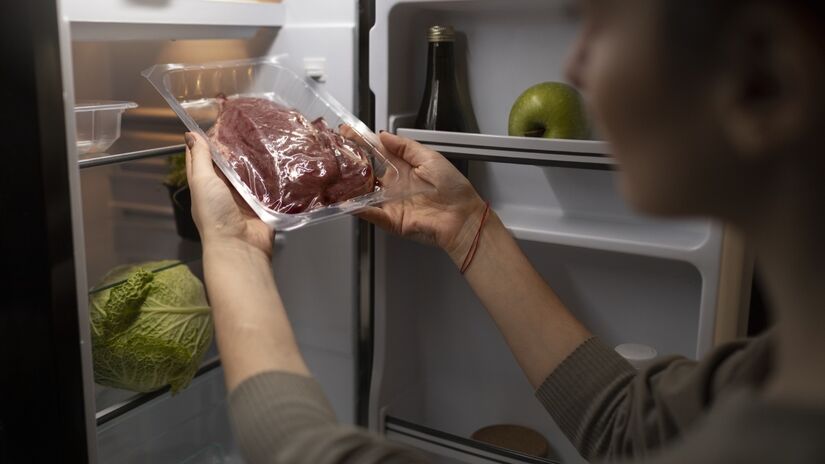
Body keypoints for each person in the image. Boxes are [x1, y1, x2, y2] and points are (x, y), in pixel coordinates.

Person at [182, 0, 825, 462]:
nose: (574, 66)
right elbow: (628, 424)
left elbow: (309, 453)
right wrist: (466, 229)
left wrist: (234, 248)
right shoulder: (769, 376)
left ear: (761, 73)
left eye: (598, 20)